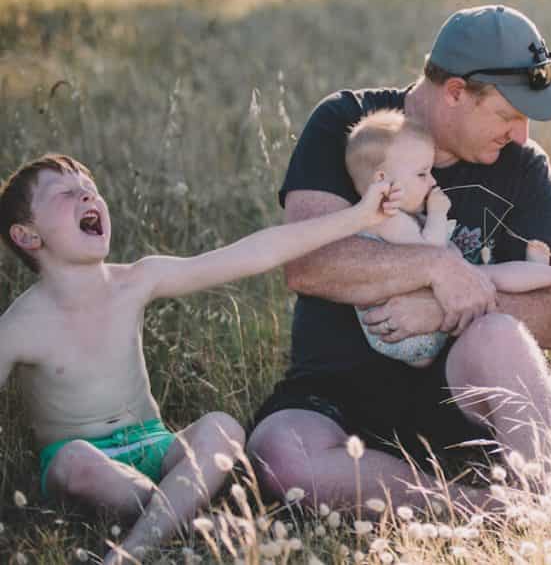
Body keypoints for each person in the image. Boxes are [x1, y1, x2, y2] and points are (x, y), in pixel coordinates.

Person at [246, 4, 551, 512]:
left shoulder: (525, 167)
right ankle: (482, 511)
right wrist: (434, 267)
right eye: (508, 115)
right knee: (280, 456)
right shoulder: (350, 125)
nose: (521, 135)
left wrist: (440, 309)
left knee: (500, 335)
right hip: (337, 393)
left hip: (458, 397)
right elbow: (308, 262)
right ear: (454, 92)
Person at [0, 154, 400, 564]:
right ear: (28, 236)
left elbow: (255, 252)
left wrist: (359, 217)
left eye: (91, 187)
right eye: (67, 193)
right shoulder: (20, 325)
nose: (88, 194)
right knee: (74, 461)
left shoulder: (136, 280)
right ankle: (189, 518)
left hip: (156, 446)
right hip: (84, 461)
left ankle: (135, 547)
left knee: (222, 428)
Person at [345, 109, 551, 367]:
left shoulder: (397, 215)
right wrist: (437, 213)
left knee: (486, 278)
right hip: (407, 334)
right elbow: (432, 255)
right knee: (486, 279)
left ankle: (549, 275)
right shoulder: (385, 218)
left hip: (424, 308)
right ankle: (547, 275)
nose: (432, 181)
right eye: (422, 174)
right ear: (382, 179)